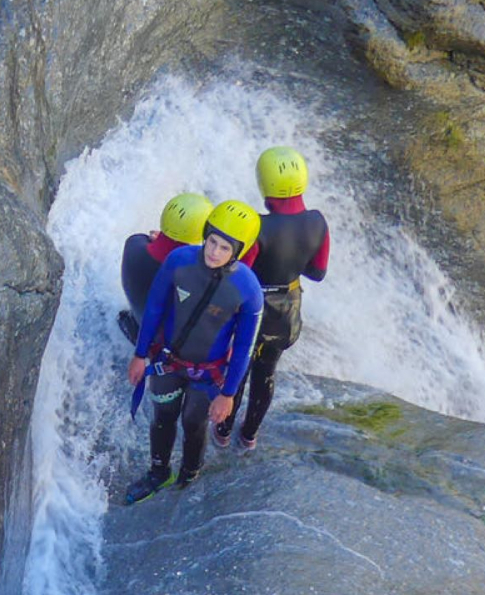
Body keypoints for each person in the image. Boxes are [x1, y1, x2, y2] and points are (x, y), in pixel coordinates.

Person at [123, 199, 265, 504]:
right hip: (168, 361)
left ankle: (189, 472)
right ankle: (160, 473)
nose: (214, 252)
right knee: (163, 416)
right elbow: (154, 308)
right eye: (211, 241)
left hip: (209, 372)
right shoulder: (180, 261)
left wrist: (228, 393)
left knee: (193, 423)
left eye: (225, 248)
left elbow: (244, 346)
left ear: (238, 252)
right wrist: (139, 353)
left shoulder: (248, 289)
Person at [213, 146, 330, 450]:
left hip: (255, 310)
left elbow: (240, 276)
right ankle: (249, 436)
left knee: (239, 369)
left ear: (264, 184)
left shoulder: (258, 228)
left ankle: (223, 432)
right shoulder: (318, 222)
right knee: (267, 372)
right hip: (287, 311)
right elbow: (318, 272)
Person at [117, 192, 215, 344]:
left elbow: (153, 245)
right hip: (169, 346)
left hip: (139, 325)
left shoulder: (133, 244)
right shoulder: (195, 275)